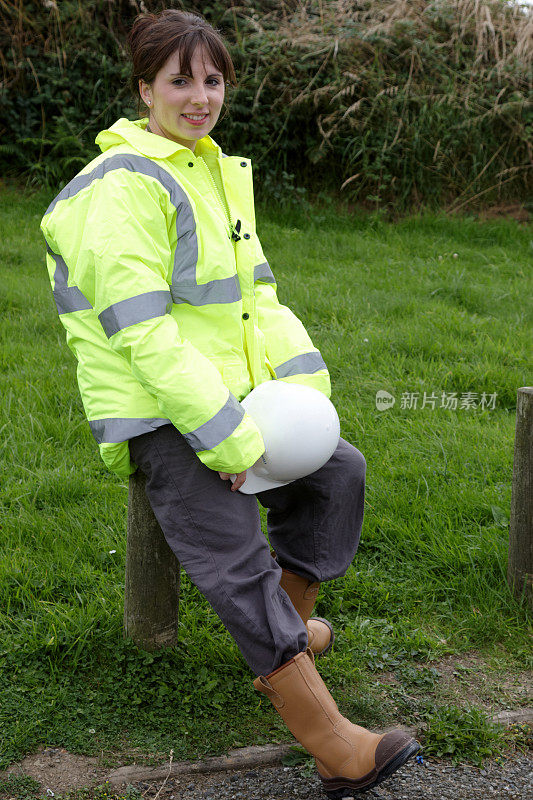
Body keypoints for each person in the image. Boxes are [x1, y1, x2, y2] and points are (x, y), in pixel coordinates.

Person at [40, 8, 419, 796]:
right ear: (145, 88)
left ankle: (283, 635)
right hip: (159, 412)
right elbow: (145, 338)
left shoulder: (212, 171)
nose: (199, 95)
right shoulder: (121, 187)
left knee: (336, 472)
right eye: (179, 80)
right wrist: (227, 438)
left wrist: (304, 401)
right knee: (228, 545)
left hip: (232, 400)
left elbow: (264, 303)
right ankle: (332, 744)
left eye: (211, 79)